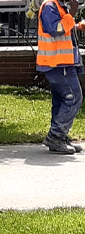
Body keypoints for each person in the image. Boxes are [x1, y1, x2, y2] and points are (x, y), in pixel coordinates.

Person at [36, 0, 85, 154]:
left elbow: (63, 29)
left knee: (61, 100)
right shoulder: (50, 5)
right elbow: (55, 29)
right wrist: (71, 15)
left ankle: (59, 137)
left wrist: (76, 26)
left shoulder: (58, 6)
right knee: (73, 98)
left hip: (61, 63)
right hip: (56, 63)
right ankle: (56, 136)